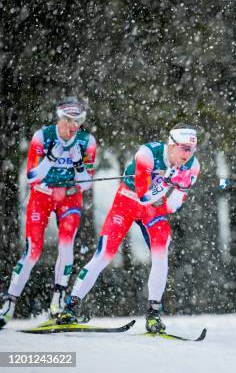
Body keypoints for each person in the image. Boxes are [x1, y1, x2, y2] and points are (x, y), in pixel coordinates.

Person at [56, 124, 200, 333]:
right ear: (172, 144)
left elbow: (171, 207)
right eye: (184, 148)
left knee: (161, 253)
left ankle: (154, 314)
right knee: (105, 253)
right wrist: (167, 182)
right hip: (128, 200)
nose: (187, 154)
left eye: (192, 149)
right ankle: (70, 307)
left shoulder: (193, 166)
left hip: (154, 208)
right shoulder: (147, 154)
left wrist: (181, 188)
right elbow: (143, 195)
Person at [0, 96, 96, 328]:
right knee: (33, 250)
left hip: (70, 197)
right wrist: (52, 157)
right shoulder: (42, 136)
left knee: (65, 245)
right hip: (42, 195)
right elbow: (32, 176)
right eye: (68, 121)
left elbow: (86, 184)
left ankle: (58, 300)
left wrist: (78, 165)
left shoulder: (86, 141)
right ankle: (8, 303)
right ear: (59, 118)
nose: (73, 127)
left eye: (78, 121)